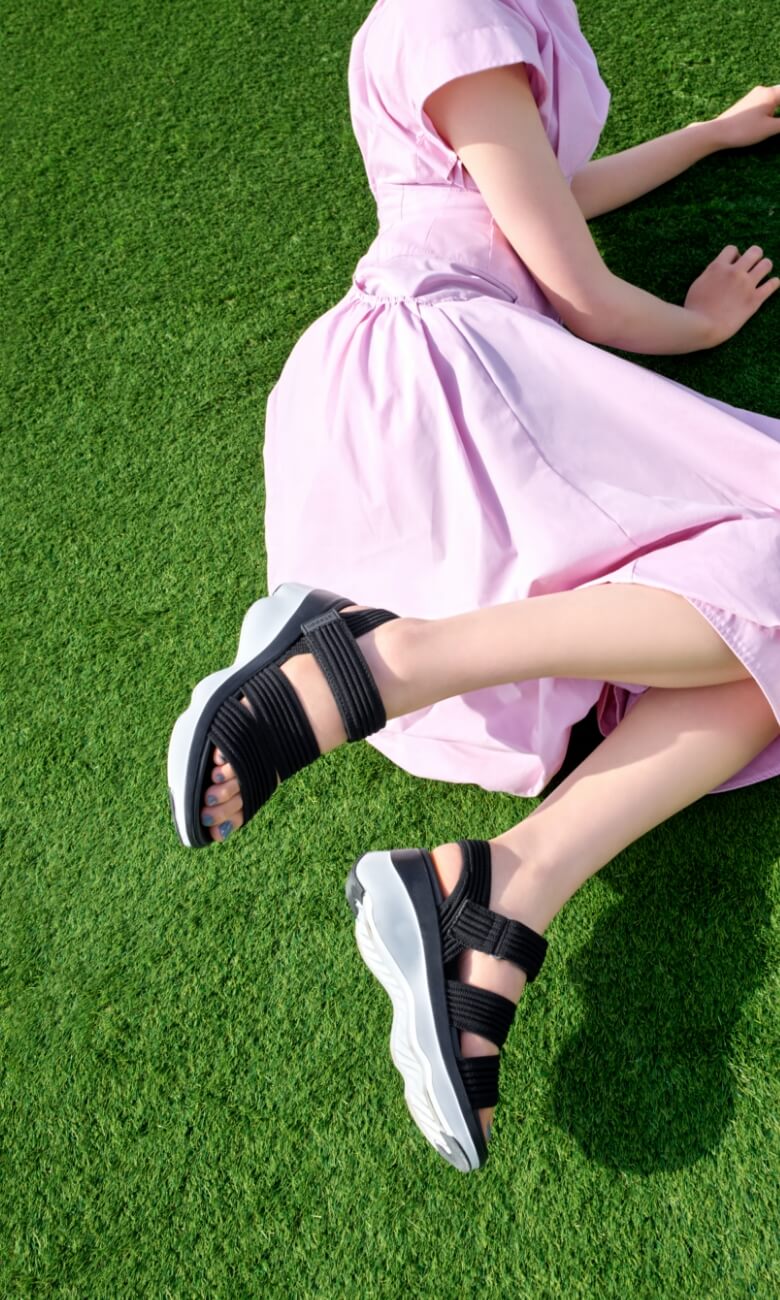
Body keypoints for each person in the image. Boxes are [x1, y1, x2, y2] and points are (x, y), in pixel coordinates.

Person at [167, 0, 780, 1171]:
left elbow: (549, 194)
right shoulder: (453, 7)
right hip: (438, 380)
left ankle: (497, 895)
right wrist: (698, 329)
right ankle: (382, 656)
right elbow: (582, 289)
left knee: (761, 640)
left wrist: (708, 134)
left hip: (447, 387)